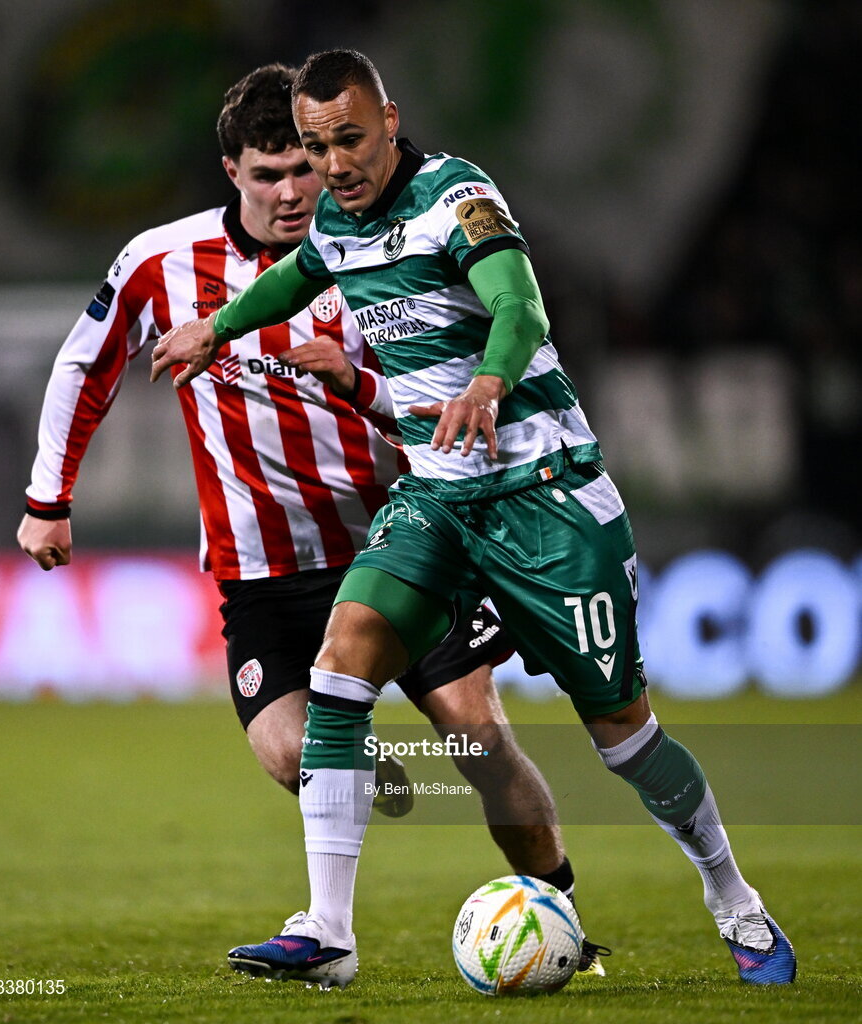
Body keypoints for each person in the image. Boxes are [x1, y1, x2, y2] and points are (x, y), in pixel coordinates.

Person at [150, 49, 798, 991]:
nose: (334, 165)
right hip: (437, 496)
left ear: (389, 121)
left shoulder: (456, 195)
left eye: (350, 140)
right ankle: (329, 932)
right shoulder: (335, 218)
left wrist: (490, 377)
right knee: (343, 660)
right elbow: (297, 276)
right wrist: (221, 324)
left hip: (545, 496)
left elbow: (518, 303)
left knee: (624, 736)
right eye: (317, 146)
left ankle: (733, 900)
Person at [18, 63, 609, 978]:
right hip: (262, 575)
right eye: (270, 174)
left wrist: (355, 381)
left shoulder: (373, 247)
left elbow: (432, 403)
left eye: (307, 166)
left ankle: (559, 909)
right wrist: (47, 501)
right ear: (232, 172)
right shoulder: (157, 262)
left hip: (396, 543)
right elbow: (81, 367)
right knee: (292, 753)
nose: (296, 190)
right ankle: (341, 856)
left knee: (480, 744)